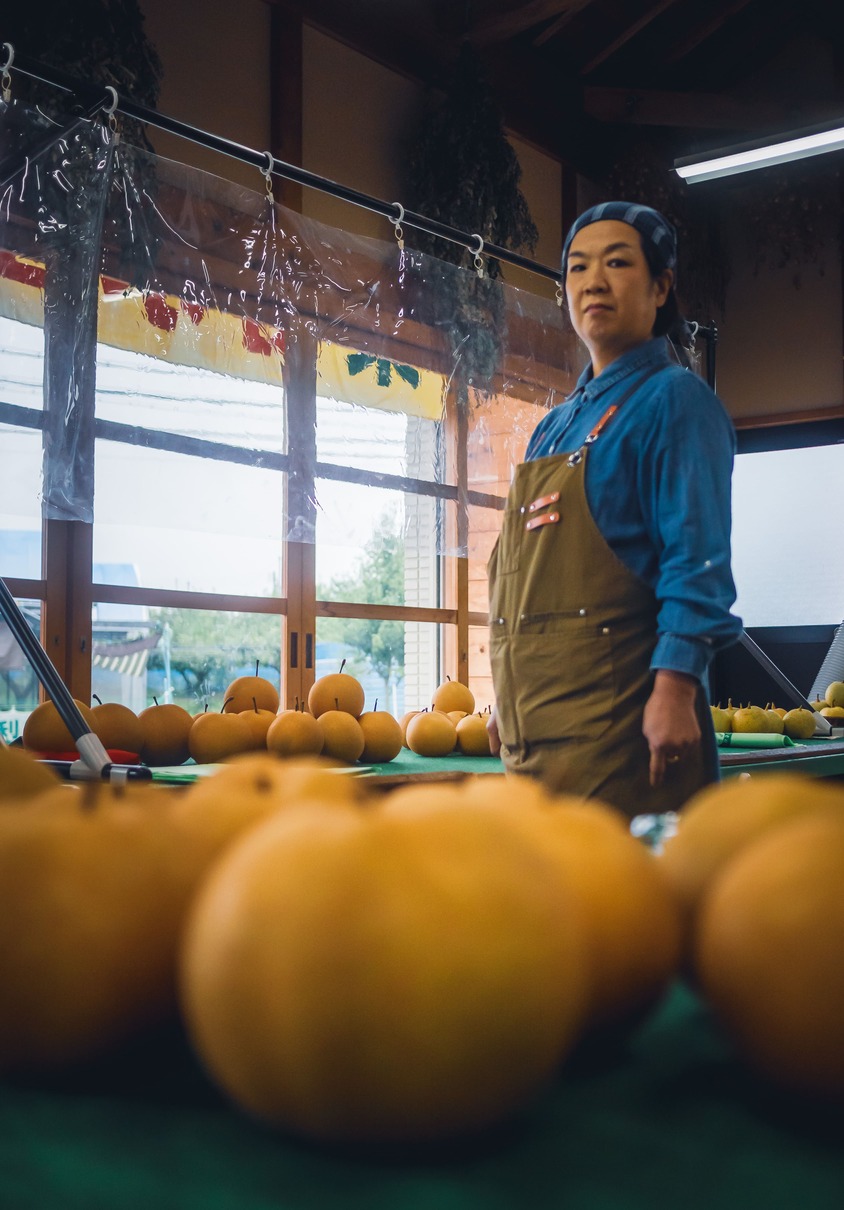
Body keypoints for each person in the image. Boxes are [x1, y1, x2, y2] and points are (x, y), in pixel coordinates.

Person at [486, 200, 742, 818]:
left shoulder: (675, 400)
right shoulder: (552, 427)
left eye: (617, 262)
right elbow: (523, 581)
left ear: (660, 287)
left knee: (626, 907)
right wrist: (507, 695)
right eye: (576, 268)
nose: (592, 281)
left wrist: (676, 688)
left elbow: (697, 564)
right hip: (533, 737)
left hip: (625, 734)